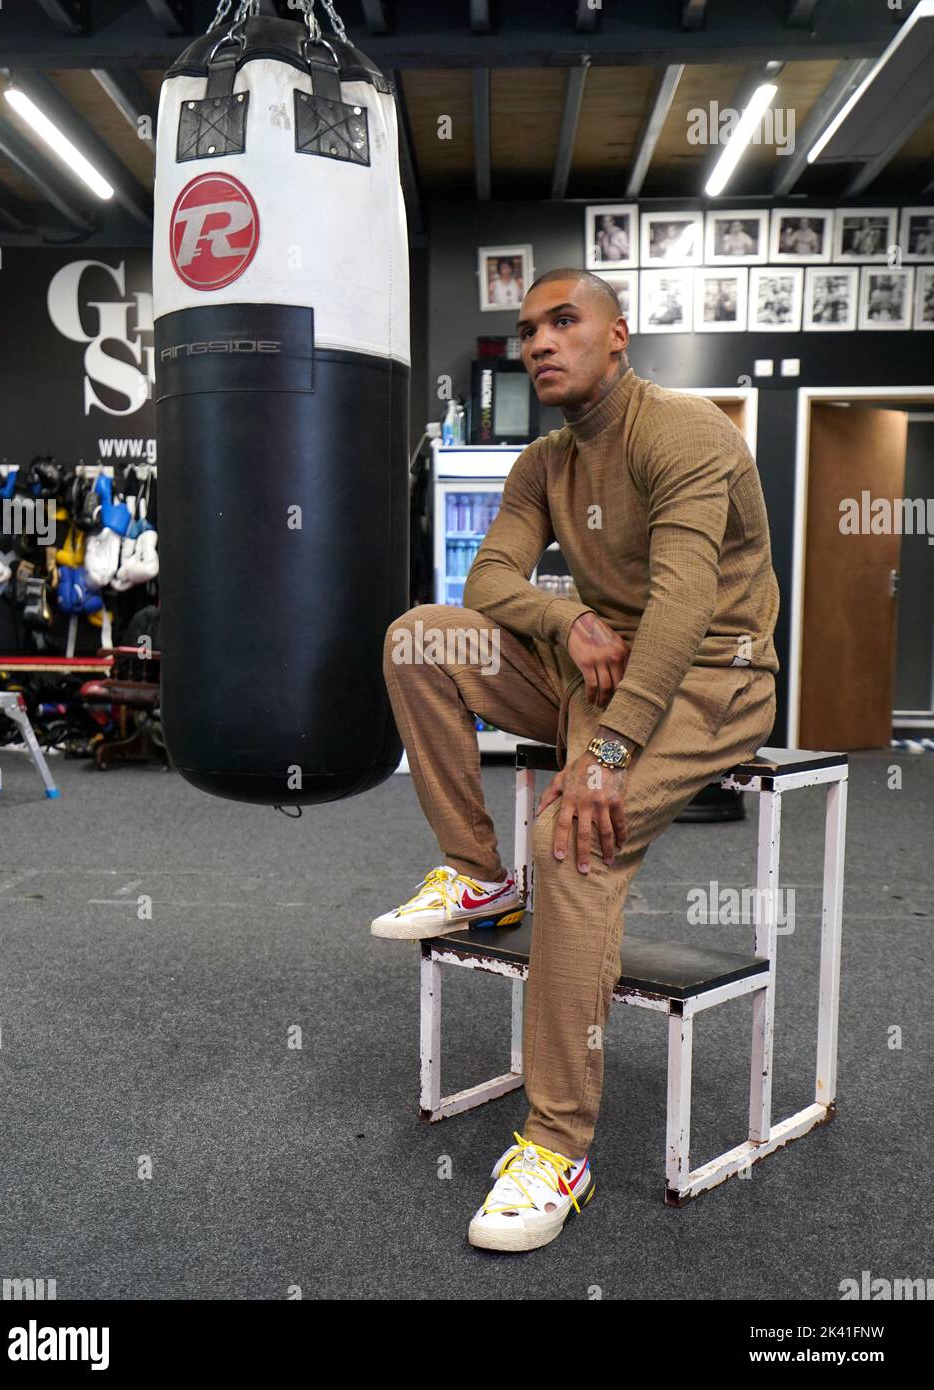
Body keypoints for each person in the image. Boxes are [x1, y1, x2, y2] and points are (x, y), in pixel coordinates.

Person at [375, 268, 780, 1253]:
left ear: (617, 335)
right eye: (525, 331)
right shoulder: (542, 463)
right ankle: (477, 873)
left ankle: (556, 1145)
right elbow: (489, 578)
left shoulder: (684, 435)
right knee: (421, 636)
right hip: (594, 664)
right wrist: (568, 618)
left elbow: (681, 613)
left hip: (708, 680)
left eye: (563, 321)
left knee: (571, 838)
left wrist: (604, 748)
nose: (539, 343)